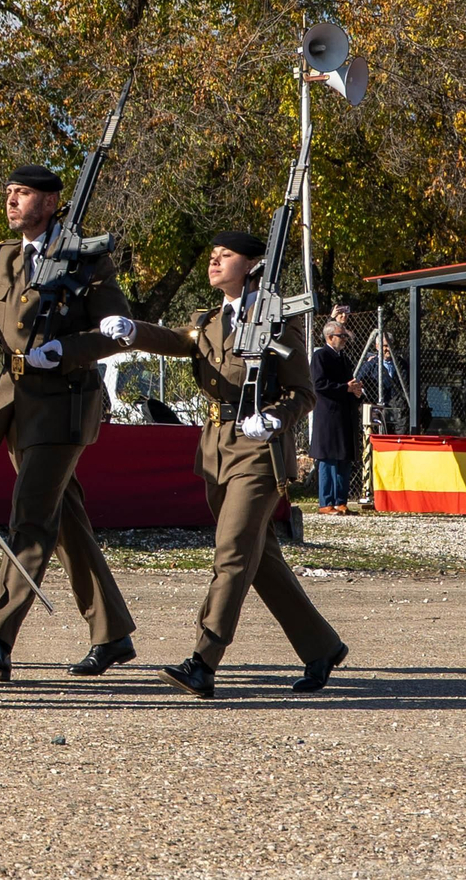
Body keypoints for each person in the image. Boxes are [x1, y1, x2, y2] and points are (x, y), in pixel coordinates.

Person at [100, 230, 348, 697]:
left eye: (225, 255)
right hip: (216, 447)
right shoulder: (212, 319)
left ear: (253, 265)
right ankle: (321, 646)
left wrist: (273, 419)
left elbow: (304, 392)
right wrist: (134, 331)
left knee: (232, 553)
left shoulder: (277, 324)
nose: (213, 261)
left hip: (258, 449)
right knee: (260, 559)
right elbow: (180, 341)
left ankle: (203, 661)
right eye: (211, 254)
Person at [0, 163, 138, 681]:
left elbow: (117, 330)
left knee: (30, 517)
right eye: (8, 192)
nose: (11, 201)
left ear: (51, 203)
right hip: (18, 405)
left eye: (23, 194)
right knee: (64, 518)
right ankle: (112, 632)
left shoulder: (88, 261)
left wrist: (66, 349)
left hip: (65, 404)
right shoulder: (2, 259)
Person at [310, 318, 364, 514]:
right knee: (328, 459)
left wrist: (356, 391)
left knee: (343, 458)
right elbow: (319, 385)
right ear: (330, 336)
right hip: (328, 416)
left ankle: (341, 501)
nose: (344, 340)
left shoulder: (344, 358)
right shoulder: (320, 357)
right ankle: (326, 502)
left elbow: (350, 384)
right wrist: (345, 388)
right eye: (341, 336)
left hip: (344, 415)